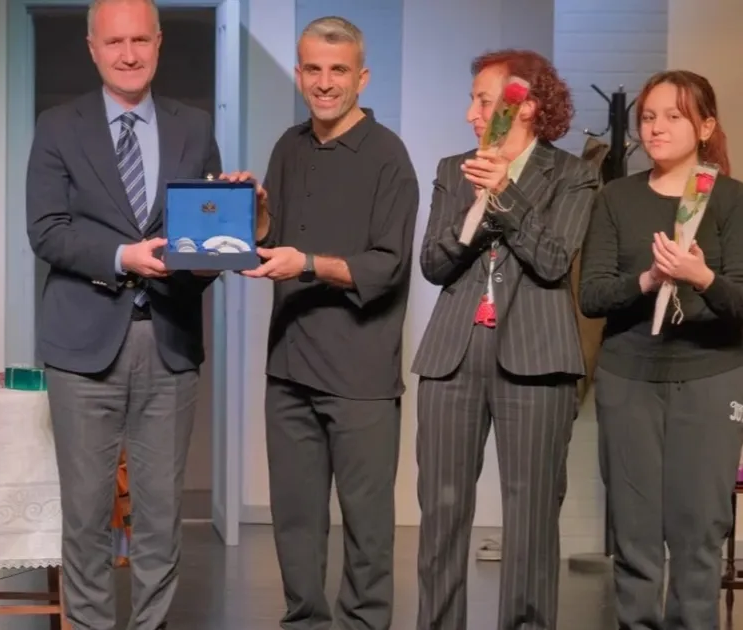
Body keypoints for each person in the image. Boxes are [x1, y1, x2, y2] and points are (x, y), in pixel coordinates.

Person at [25, 0, 221, 627]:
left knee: (161, 518)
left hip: (169, 344)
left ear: (158, 43)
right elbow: (46, 230)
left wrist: (230, 232)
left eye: (139, 40)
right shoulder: (59, 127)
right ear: (93, 48)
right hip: (83, 349)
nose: (129, 54)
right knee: (86, 518)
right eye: (114, 43)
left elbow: (204, 241)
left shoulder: (195, 127)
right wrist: (121, 256)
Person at [221, 16, 418, 630]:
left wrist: (308, 264)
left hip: (362, 375)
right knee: (296, 523)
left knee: (367, 528)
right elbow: (270, 243)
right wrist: (254, 215)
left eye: (338, 70)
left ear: (362, 77)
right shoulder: (288, 146)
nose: (324, 82)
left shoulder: (388, 156)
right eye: (313, 69)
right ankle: (304, 621)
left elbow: (388, 265)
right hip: (289, 369)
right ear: (300, 73)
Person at [410, 49, 598, 630]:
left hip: (537, 357)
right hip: (453, 355)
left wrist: (506, 195)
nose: (471, 113)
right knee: (441, 512)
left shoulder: (572, 174)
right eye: (473, 100)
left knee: (531, 515)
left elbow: (553, 260)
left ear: (525, 106)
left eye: (483, 101)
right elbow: (433, 264)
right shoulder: (453, 169)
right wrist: (477, 206)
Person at [579, 70, 743, 629]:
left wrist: (701, 277)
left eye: (673, 116)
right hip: (629, 378)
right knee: (635, 532)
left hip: (710, 377)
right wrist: (649, 279)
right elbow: (592, 295)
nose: (656, 127)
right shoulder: (615, 198)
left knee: (699, 533)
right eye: (648, 117)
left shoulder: (731, 199)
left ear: (706, 127)